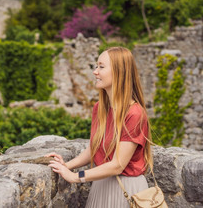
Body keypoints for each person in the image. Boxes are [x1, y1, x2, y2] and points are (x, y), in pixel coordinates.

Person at [46, 46, 153, 207]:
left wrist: (75, 177)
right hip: (101, 186)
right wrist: (66, 166)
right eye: (96, 66)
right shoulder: (100, 108)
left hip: (127, 191)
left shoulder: (135, 113)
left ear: (119, 72)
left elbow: (118, 165)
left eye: (101, 67)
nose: (95, 72)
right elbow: (95, 148)